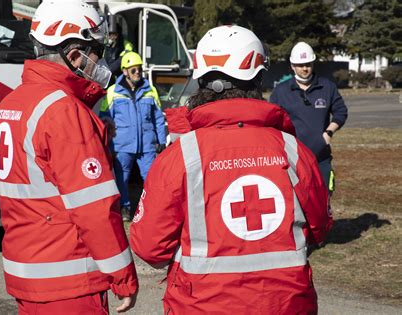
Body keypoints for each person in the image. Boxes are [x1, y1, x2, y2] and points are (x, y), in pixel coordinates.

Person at [130, 25, 333, 314]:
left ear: (200, 80)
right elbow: (320, 229)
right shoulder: (293, 150)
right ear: (259, 78)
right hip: (286, 306)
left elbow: (149, 247)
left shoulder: (181, 155)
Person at [0, 1, 138, 313]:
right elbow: (94, 208)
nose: (101, 59)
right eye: (96, 49)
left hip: (27, 274)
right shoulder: (64, 111)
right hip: (70, 279)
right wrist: (122, 276)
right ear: (74, 55)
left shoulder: (7, 106)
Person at [270, 41, 348, 191]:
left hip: (321, 157)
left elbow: (341, 112)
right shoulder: (281, 91)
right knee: (299, 203)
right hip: (292, 158)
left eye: (308, 64)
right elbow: (272, 121)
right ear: (292, 66)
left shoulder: (327, 87)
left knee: (323, 199)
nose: (305, 68)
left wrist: (328, 133)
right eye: (300, 65)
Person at [100, 51, 166, 221]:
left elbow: (158, 118)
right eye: (134, 70)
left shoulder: (150, 91)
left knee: (151, 179)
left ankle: (153, 210)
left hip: (147, 145)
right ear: (125, 72)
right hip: (122, 145)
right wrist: (106, 144)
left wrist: (161, 140)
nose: (138, 73)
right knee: (122, 179)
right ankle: (125, 209)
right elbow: (104, 120)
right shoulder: (113, 92)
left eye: (139, 70)